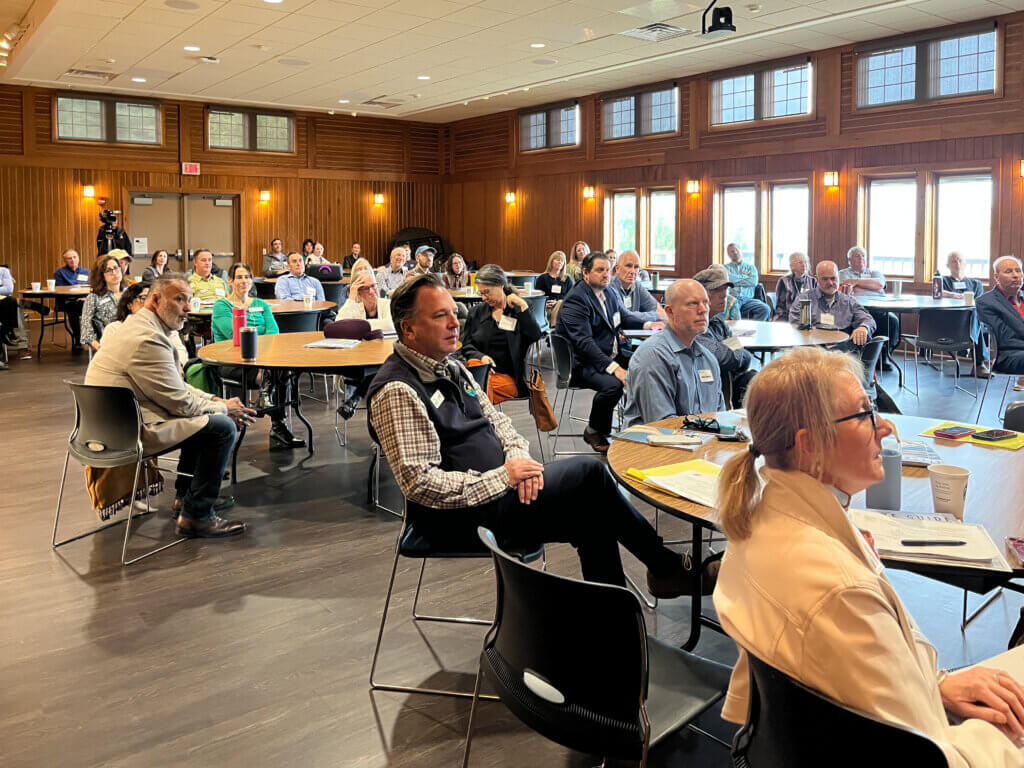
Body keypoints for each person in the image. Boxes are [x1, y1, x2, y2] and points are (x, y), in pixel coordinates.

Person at [713, 345, 1024, 766]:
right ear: (810, 445)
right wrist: (1002, 733)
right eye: (864, 415)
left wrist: (935, 685)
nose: (886, 427)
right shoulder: (839, 587)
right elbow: (931, 755)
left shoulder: (758, 519)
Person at [367, 272, 709, 597]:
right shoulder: (398, 389)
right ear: (408, 329)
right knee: (590, 474)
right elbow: (421, 484)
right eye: (440, 316)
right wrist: (505, 477)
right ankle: (665, 568)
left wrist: (519, 461)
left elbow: (499, 423)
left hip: (504, 491)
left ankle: (614, 622)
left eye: (453, 313)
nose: (455, 322)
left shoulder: (452, 366)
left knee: (593, 515)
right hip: (459, 516)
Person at [84, 274, 254, 537]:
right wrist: (225, 409)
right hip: (125, 434)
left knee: (203, 419)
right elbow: (181, 404)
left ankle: (186, 499)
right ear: (155, 300)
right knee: (221, 427)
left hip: (107, 427)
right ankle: (196, 516)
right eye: (180, 300)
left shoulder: (139, 327)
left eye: (189, 300)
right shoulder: (147, 338)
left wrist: (215, 400)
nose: (188, 308)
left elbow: (175, 386)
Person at [555, 252, 655, 453]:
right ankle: (593, 430)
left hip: (609, 354)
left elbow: (624, 317)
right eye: (600, 270)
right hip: (582, 363)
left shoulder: (608, 292)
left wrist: (650, 325)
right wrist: (614, 368)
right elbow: (584, 344)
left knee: (648, 367)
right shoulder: (576, 300)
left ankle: (642, 426)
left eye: (608, 270)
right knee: (613, 385)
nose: (606, 274)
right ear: (585, 273)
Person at [212, 263, 305, 450]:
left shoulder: (261, 304)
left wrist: (262, 352)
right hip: (232, 362)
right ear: (230, 280)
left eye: (247, 277)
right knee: (280, 372)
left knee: (279, 369)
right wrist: (262, 343)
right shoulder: (222, 306)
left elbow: (274, 332)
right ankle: (278, 425)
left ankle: (266, 397)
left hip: (263, 360)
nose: (244, 281)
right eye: (239, 277)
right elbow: (236, 335)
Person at [623, 279, 725, 427]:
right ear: (670, 312)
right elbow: (663, 426)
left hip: (700, 439)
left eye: (706, 303)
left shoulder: (708, 359)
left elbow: (720, 419)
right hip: (656, 440)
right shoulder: (652, 356)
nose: (703, 309)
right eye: (693, 304)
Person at [459, 264, 542, 404]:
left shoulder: (519, 309)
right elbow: (466, 346)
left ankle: (476, 413)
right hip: (482, 369)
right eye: (481, 293)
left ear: (501, 285)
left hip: (509, 377)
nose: (484, 298)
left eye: (487, 292)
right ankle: (485, 416)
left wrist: (523, 306)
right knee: (477, 379)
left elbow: (535, 336)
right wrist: (481, 356)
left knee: (473, 389)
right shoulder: (476, 313)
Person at [693, 265, 757, 408]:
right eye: (716, 290)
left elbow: (743, 358)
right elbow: (723, 358)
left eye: (725, 289)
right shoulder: (695, 326)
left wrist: (733, 352)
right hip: (705, 403)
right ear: (700, 295)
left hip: (726, 390)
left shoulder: (718, 322)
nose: (724, 295)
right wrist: (734, 352)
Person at [336, 272, 395, 420]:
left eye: (373, 286)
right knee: (380, 372)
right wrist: (351, 298)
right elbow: (339, 323)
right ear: (359, 293)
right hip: (359, 359)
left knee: (381, 370)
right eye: (366, 288)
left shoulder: (386, 304)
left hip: (385, 357)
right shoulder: (355, 308)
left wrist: (358, 326)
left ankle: (354, 399)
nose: (372, 291)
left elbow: (389, 324)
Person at [788, 260, 875, 347]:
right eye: (825, 279)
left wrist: (863, 328)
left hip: (843, 350)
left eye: (833, 278)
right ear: (817, 279)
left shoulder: (849, 302)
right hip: (814, 348)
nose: (830, 283)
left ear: (838, 278)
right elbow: (795, 325)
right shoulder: (804, 299)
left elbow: (868, 320)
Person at [840, 245, 899, 364]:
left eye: (863, 256)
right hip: (856, 310)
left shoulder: (875, 272)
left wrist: (856, 282)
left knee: (893, 321)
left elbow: (880, 285)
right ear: (849, 260)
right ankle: (866, 356)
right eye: (857, 256)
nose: (861, 258)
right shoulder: (843, 273)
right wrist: (871, 286)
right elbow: (847, 287)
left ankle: (884, 356)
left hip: (880, 308)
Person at [977, 255, 1024, 391]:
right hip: (1009, 356)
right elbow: (1007, 338)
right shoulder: (986, 302)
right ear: (997, 277)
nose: (1015, 275)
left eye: (1018, 270)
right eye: (1009, 271)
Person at [942, 251, 990, 379]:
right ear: (947, 265)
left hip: (972, 321)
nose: (957, 264)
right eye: (954, 261)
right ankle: (979, 364)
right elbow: (937, 293)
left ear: (965, 264)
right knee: (977, 322)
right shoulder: (943, 281)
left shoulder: (975, 284)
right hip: (951, 321)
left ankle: (971, 350)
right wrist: (953, 295)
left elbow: (980, 304)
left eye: (960, 261)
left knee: (976, 316)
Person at [81, 254, 126, 351]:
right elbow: (86, 327)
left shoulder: (129, 294)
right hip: (111, 342)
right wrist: (98, 346)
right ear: (101, 276)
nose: (114, 273)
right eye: (109, 270)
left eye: (116, 268)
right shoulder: (94, 297)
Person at [609, 249, 665, 324]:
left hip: (636, 330)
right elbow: (626, 317)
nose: (633, 271)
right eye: (628, 266)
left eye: (636, 267)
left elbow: (657, 308)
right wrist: (657, 316)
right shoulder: (610, 287)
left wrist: (658, 315)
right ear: (617, 268)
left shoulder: (637, 286)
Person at [54, 248, 90, 350]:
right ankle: (77, 338)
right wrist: (75, 289)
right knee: (73, 308)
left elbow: (91, 287)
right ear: (65, 261)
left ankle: (93, 337)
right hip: (67, 301)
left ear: (78, 258)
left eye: (75, 257)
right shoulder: (59, 273)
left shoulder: (86, 272)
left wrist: (85, 298)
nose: (73, 260)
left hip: (84, 299)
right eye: (69, 258)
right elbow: (60, 290)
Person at [724, 243, 770, 320]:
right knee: (731, 310)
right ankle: (735, 327)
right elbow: (729, 280)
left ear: (741, 251)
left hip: (748, 300)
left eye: (736, 250)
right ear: (728, 254)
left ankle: (754, 327)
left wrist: (735, 280)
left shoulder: (751, 267)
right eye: (732, 251)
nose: (735, 252)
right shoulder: (725, 268)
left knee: (765, 309)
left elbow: (753, 282)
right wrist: (746, 278)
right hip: (733, 298)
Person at [772, 251, 817, 321]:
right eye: (800, 262)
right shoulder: (784, 281)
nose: (804, 265)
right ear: (792, 266)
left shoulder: (813, 281)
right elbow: (781, 305)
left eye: (806, 262)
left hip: (807, 315)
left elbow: (816, 302)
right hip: (786, 314)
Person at [535, 250, 573, 326]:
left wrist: (557, 302)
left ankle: (553, 327)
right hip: (546, 307)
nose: (560, 262)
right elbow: (537, 296)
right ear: (551, 262)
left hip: (562, 308)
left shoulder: (567, 279)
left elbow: (571, 297)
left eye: (562, 261)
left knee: (559, 303)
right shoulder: (543, 278)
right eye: (557, 260)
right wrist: (545, 304)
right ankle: (554, 329)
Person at [0, 264, 17, 349]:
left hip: (4, 300)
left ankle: (7, 332)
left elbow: (8, 289)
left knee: (14, 302)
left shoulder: (3, 271)